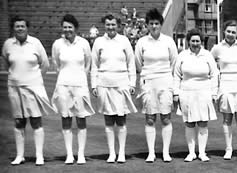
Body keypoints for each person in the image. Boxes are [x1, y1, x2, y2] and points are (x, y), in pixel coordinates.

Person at [2, 16, 55, 166]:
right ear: (13, 28)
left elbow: (44, 64)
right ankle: (20, 156)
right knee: (19, 121)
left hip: (33, 87)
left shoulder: (35, 43)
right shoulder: (8, 44)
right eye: (17, 26)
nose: (20, 28)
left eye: (22, 26)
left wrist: (33, 78)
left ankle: (39, 156)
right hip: (15, 88)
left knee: (36, 120)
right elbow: (7, 64)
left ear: (27, 28)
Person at [91, 14, 137, 163]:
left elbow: (131, 63)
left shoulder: (124, 41)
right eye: (108, 24)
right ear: (104, 26)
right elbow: (94, 66)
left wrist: (132, 83)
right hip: (104, 83)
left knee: (121, 119)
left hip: (122, 82)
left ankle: (122, 152)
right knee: (108, 119)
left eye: (113, 25)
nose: (110, 27)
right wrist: (94, 85)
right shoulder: (98, 42)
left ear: (118, 26)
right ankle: (112, 153)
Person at [135, 8, 178, 163]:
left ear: (161, 24)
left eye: (157, 23)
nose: (154, 26)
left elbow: (174, 62)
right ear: (147, 25)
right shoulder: (142, 42)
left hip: (165, 81)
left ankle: (166, 152)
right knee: (150, 118)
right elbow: (139, 64)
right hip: (148, 82)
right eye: (151, 24)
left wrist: (166, 79)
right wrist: (147, 77)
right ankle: (151, 152)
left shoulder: (168, 41)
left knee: (166, 117)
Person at [51, 14, 95, 164]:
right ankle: (69, 154)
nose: (67, 30)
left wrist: (81, 77)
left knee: (81, 119)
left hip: (80, 85)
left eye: (70, 27)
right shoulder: (57, 44)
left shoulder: (83, 43)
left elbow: (88, 63)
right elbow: (57, 64)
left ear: (75, 28)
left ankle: (81, 154)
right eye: (65, 27)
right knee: (66, 119)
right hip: (63, 85)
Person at [174, 28, 219, 162]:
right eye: (192, 41)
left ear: (201, 42)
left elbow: (214, 75)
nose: (195, 43)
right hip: (186, 92)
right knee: (189, 123)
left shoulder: (207, 55)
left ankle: (202, 153)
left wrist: (214, 93)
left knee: (202, 122)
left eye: (197, 41)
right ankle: (191, 152)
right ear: (188, 42)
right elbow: (176, 75)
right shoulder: (182, 55)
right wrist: (176, 93)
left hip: (204, 92)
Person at [211, 20, 237, 160]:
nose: (230, 34)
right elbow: (210, 64)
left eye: (233, 32)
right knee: (227, 118)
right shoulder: (217, 48)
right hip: (225, 84)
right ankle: (228, 149)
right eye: (228, 31)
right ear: (224, 31)